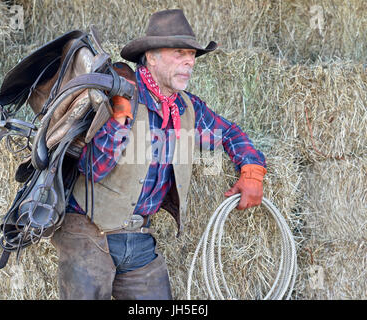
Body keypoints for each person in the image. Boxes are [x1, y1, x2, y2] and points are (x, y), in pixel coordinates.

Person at [51, 9, 267, 300]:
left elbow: (229, 133)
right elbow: (91, 171)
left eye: (191, 55)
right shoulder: (116, 93)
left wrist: (252, 171)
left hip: (139, 240)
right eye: (179, 53)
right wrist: (119, 120)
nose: (189, 61)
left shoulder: (188, 109)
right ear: (151, 57)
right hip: (88, 231)